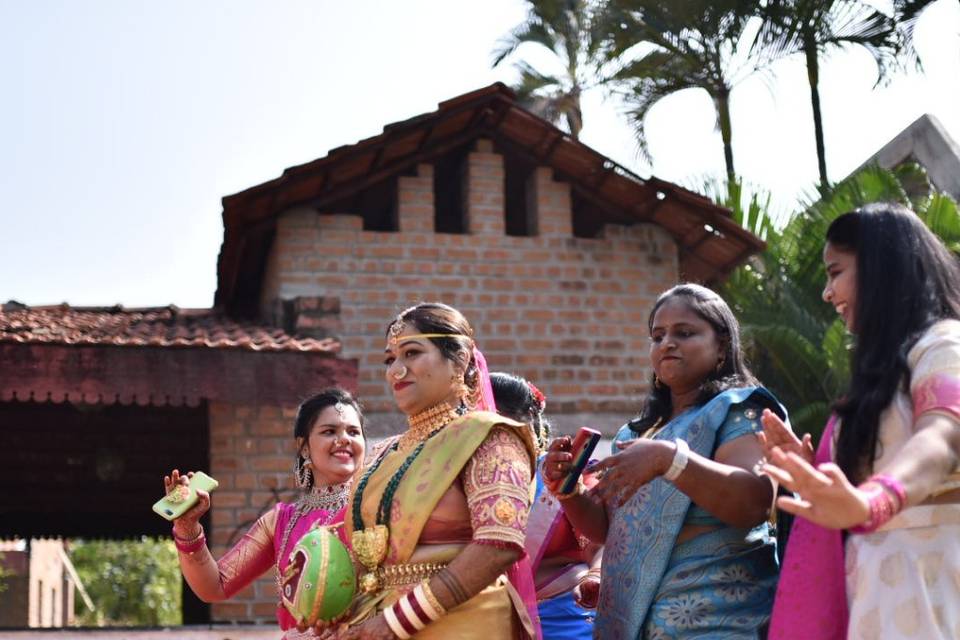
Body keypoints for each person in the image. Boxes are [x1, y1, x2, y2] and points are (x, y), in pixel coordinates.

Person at [761, 203, 960, 639]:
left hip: (933, 589)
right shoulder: (886, 369)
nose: (827, 293)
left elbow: (942, 436)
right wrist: (810, 469)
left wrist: (873, 502)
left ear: (881, 268)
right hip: (878, 594)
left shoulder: (943, 345)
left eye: (835, 272)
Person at [544, 283, 786, 638]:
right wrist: (569, 490)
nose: (667, 343)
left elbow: (754, 502)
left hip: (717, 615)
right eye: (657, 336)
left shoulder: (740, 410)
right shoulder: (636, 434)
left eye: (684, 333)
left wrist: (671, 459)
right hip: (632, 617)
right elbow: (614, 531)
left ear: (721, 345)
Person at [329, 302, 541, 639]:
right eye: (390, 359)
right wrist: (329, 615)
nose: (396, 371)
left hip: (462, 623)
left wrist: (396, 622)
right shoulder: (383, 453)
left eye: (412, 353)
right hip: (373, 625)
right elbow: (365, 556)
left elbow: (498, 544)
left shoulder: (489, 437)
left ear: (461, 360)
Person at [162, 388, 365, 640]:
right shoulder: (281, 521)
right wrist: (187, 527)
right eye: (329, 431)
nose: (344, 439)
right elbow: (215, 585)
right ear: (303, 448)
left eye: (354, 432)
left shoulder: (375, 507)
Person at [490, 371, 602, 640]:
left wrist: (596, 577)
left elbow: (600, 543)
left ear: (527, 425)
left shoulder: (564, 472)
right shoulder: (462, 480)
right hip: (489, 619)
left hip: (563, 617)